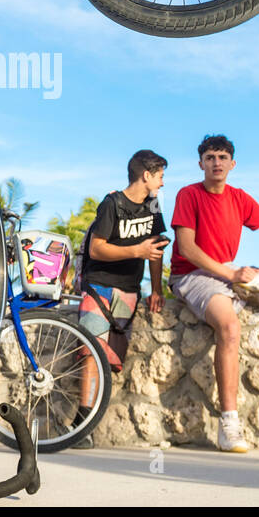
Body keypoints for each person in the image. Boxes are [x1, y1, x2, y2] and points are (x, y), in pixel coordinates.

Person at [168, 134, 259, 453]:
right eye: (210, 157)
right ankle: (229, 424)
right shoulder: (188, 194)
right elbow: (187, 248)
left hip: (228, 272)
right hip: (192, 275)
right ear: (201, 163)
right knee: (229, 327)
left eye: (222, 157)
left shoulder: (240, 197)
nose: (217, 162)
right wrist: (231, 274)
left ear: (232, 164)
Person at [76, 150, 168, 434]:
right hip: (99, 286)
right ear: (146, 175)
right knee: (90, 352)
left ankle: (91, 423)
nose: (163, 183)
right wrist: (135, 250)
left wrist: (155, 290)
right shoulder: (112, 203)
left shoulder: (152, 205)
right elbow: (96, 248)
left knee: (110, 360)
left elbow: (156, 249)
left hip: (129, 291)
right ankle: (81, 426)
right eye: (161, 176)